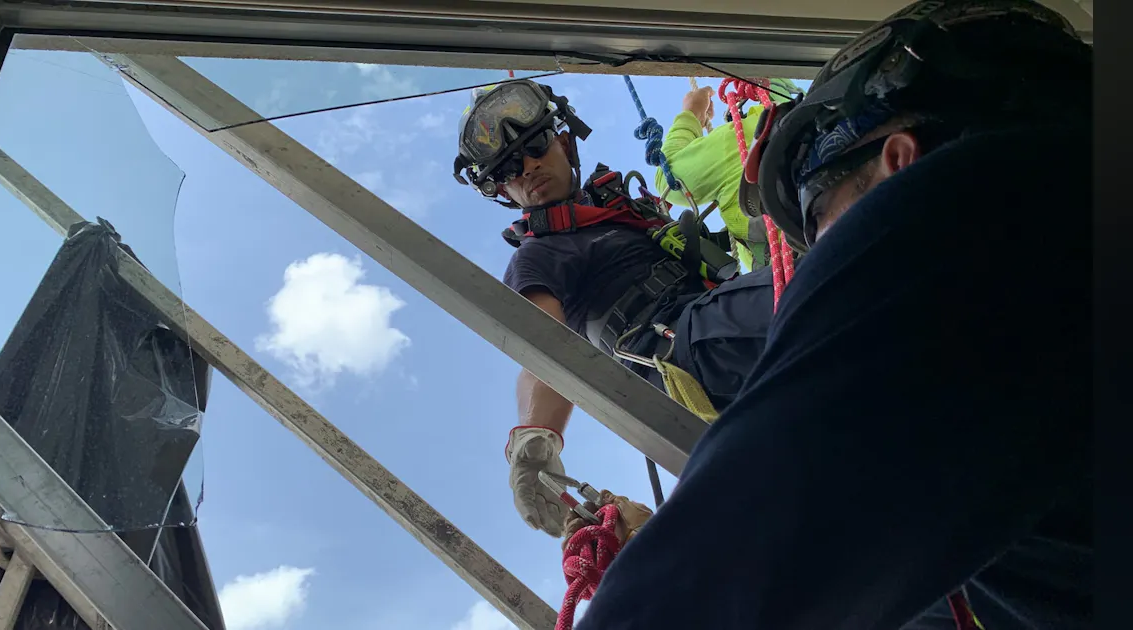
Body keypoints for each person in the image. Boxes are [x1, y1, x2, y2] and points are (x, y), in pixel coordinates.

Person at [573, 1, 1093, 629]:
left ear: (900, 165)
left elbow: (700, 585)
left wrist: (689, 550)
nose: (813, 253)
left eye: (816, 220)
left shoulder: (952, 231)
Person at [453, 80, 778, 538]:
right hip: (683, 349)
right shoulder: (538, 254)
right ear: (504, 191)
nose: (528, 167)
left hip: (720, 321)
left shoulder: (624, 213)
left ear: (564, 142)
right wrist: (534, 436)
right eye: (509, 167)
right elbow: (544, 346)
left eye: (537, 145)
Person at [654, 78, 801, 270]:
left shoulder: (739, 136)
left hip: (793, 278)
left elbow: (669, 180)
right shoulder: (820, 121)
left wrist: (693, 113)